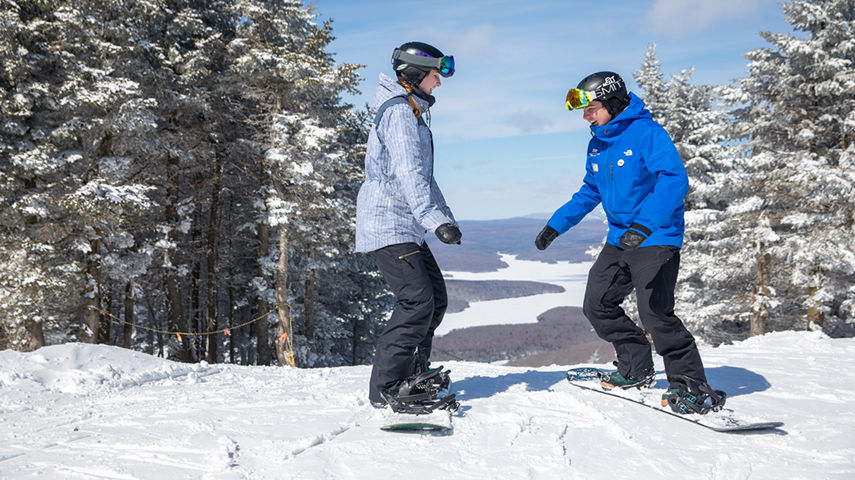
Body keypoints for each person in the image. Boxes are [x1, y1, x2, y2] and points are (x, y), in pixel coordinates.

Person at [535, 71, 723, 413]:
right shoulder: (598, 142)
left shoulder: (646, 133)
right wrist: (556, 225)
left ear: (611, 102)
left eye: (590, 108)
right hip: (620, 238)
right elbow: (590, 190)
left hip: (656, 237)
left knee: (656, 314)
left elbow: (674, 179)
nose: (585, 115)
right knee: (598, 304)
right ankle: (636, 368)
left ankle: (692, 385)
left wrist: (644, 225)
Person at [356, 41, 461, 413]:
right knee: (416, 301)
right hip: (388, 222)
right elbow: (408, 172)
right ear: (417, 75)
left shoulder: (410, 110)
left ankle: (414, 374)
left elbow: (424, 177)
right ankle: (387, 386)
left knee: (435, 299)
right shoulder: (399, 112)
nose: (439, 84)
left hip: (405, 224)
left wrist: (442, 218)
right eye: (436, 76)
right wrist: (434, 221)